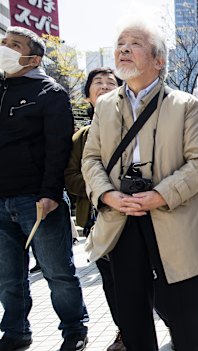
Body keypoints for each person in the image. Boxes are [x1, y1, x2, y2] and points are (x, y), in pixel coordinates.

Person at [81, 17, 198, 350]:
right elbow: (91, 160)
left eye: (135, 44)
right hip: (122, 217)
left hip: (174, 217)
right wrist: (108, 195)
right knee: (132, 312)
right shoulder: (105, 108)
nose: (123, 49)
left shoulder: (185, 105)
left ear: (159, 61)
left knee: (186, 311)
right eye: (120, 44)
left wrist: (159, 194)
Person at [0, 26, 89, 351]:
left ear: (34, 57)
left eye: (14, 45)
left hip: (37, 200)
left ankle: (74, 330)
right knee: (8, 277)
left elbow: (58, 150)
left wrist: (50, 193)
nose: (5, 48)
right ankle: (15, 332)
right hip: (1, 200)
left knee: (58, 273)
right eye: (3, 43)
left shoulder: (49, 93)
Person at [64, 67, 124, 351]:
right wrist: (103, 190)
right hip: (100, 220)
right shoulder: (80, 138)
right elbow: (71, 177)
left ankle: (173, 323)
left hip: (139, 214)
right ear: (87, 96)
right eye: (97, 83)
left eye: (110, 82)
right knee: (112, 283)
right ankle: (125, 332)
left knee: (153, 277)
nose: (103, 86)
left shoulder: (135, 126)